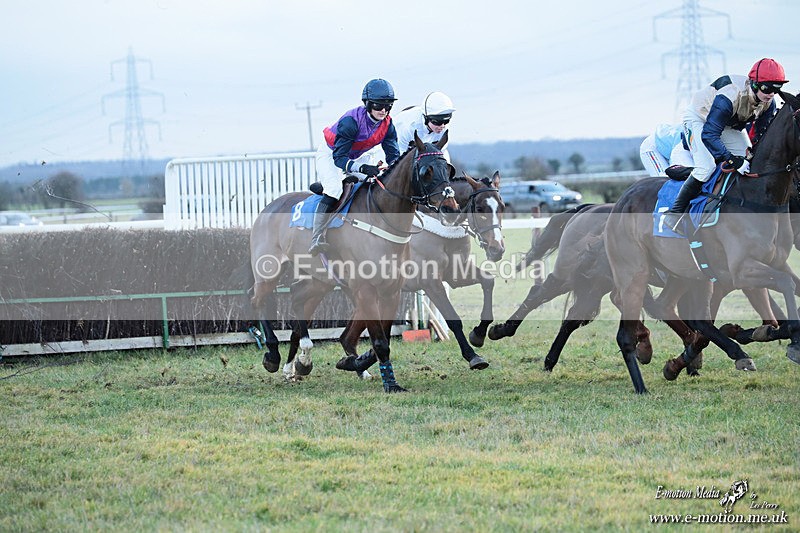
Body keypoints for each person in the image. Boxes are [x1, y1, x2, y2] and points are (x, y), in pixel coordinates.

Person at [663, 58, 787, 229]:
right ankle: (675, 213)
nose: (771, 94)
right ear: (755, 84)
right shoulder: (729, 96)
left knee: (750, 160)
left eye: (776, 89)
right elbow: (709, 134)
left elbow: (759, 136)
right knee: (706, 167)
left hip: (729, 124)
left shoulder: (768, 103)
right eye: (767, 88)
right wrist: (732, 160)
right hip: (700, 119)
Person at [309, 78, 401, 255]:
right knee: (334, 190)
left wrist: (393, 170)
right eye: (379, 105)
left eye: (388, 105)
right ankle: (316, 237)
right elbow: (339, 159)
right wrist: (363, 168)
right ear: (367, 104)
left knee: (374, 183)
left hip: (356, 155)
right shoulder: (350, 122)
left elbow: (393, 156)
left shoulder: (388, 125)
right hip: (331, 153)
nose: (383, 110)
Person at [392, 91, 455, 161]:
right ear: (426, 118)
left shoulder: (444, 129)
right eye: (438, 122)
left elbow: (440, 153)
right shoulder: (409, 127)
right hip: (390, 145)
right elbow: (398, 154)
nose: (442, 126)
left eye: (446, 121)